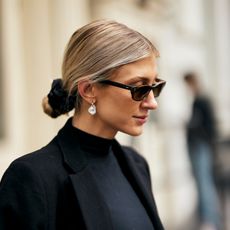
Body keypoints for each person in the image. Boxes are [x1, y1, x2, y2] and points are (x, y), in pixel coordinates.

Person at [0, 19, 166, 230]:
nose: (152, 103)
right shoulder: (32, 178)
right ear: (88, 90)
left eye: (155, 87)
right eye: (139, 88)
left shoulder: (137, 165)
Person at [184, 72, 221, 230]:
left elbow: (211, 127)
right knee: (202, 184)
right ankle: (208, 220)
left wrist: (191, 127)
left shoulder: (202, 100)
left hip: (201, 146)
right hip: (200, 146)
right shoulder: (200, 99)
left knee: (204, 184)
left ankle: (210, 221)